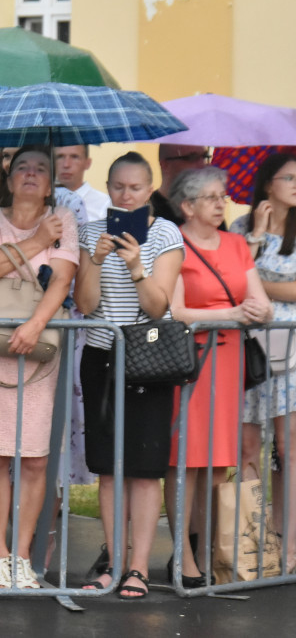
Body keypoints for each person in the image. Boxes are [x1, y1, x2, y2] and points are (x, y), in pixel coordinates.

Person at [0, 145, 78, 589]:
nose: (31, 174)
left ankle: (24, 557)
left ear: (52, 181)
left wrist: (33, 325)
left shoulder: (65, 219)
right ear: (8, 177)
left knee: (34, 459)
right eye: (22, 167)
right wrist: (35, 242)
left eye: (42, 169)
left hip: (40, 346)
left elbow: (64, 277)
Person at [74, 152, 184, 598]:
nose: (125, 194)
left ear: (150, 187)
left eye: (135, 187)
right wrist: (96, 260)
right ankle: (113, 563)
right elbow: (84, 304)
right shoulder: (90, 232)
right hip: (101, 355)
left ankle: (138, 567)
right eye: (118, 186)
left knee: (143, 469)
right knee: (107, 469)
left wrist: (137, 266)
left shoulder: (165, 233)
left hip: (148, 359)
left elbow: (158, 307)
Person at [165, 166, 272, 587]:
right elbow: (175, 311)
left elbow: (258, 299)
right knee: (184, 461)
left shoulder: (235, 243)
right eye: (210, 197)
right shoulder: (173, 242)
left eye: (222, 196)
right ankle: (183, 556)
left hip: (228, 366)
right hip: (190, 364)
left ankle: (211, 549)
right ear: (187, 205)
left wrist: (259, 311)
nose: (220, 203)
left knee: (215, 463)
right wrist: (230, 314)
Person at [232, 152, 296, 574]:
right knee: (248, 447)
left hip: (292, 353)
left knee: (289, 447)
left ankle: (289, 545)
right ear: (267, 184)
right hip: (249, 350)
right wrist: (255, 236)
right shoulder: (240, 227)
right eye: (289, 177)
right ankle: (253, 547)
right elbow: (235, 283)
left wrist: (263, 290)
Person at [152, 145, 211, 225]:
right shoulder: (147, 216)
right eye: (192, 158)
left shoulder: (209, 213)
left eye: (204, 157)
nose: (202, 165)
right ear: (165, 165)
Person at [55, 145, 110, 223]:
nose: (66, 164)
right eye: (60, 157)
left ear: (88, 163)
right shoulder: (40, 201)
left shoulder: (105, 204)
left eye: (74, 157)